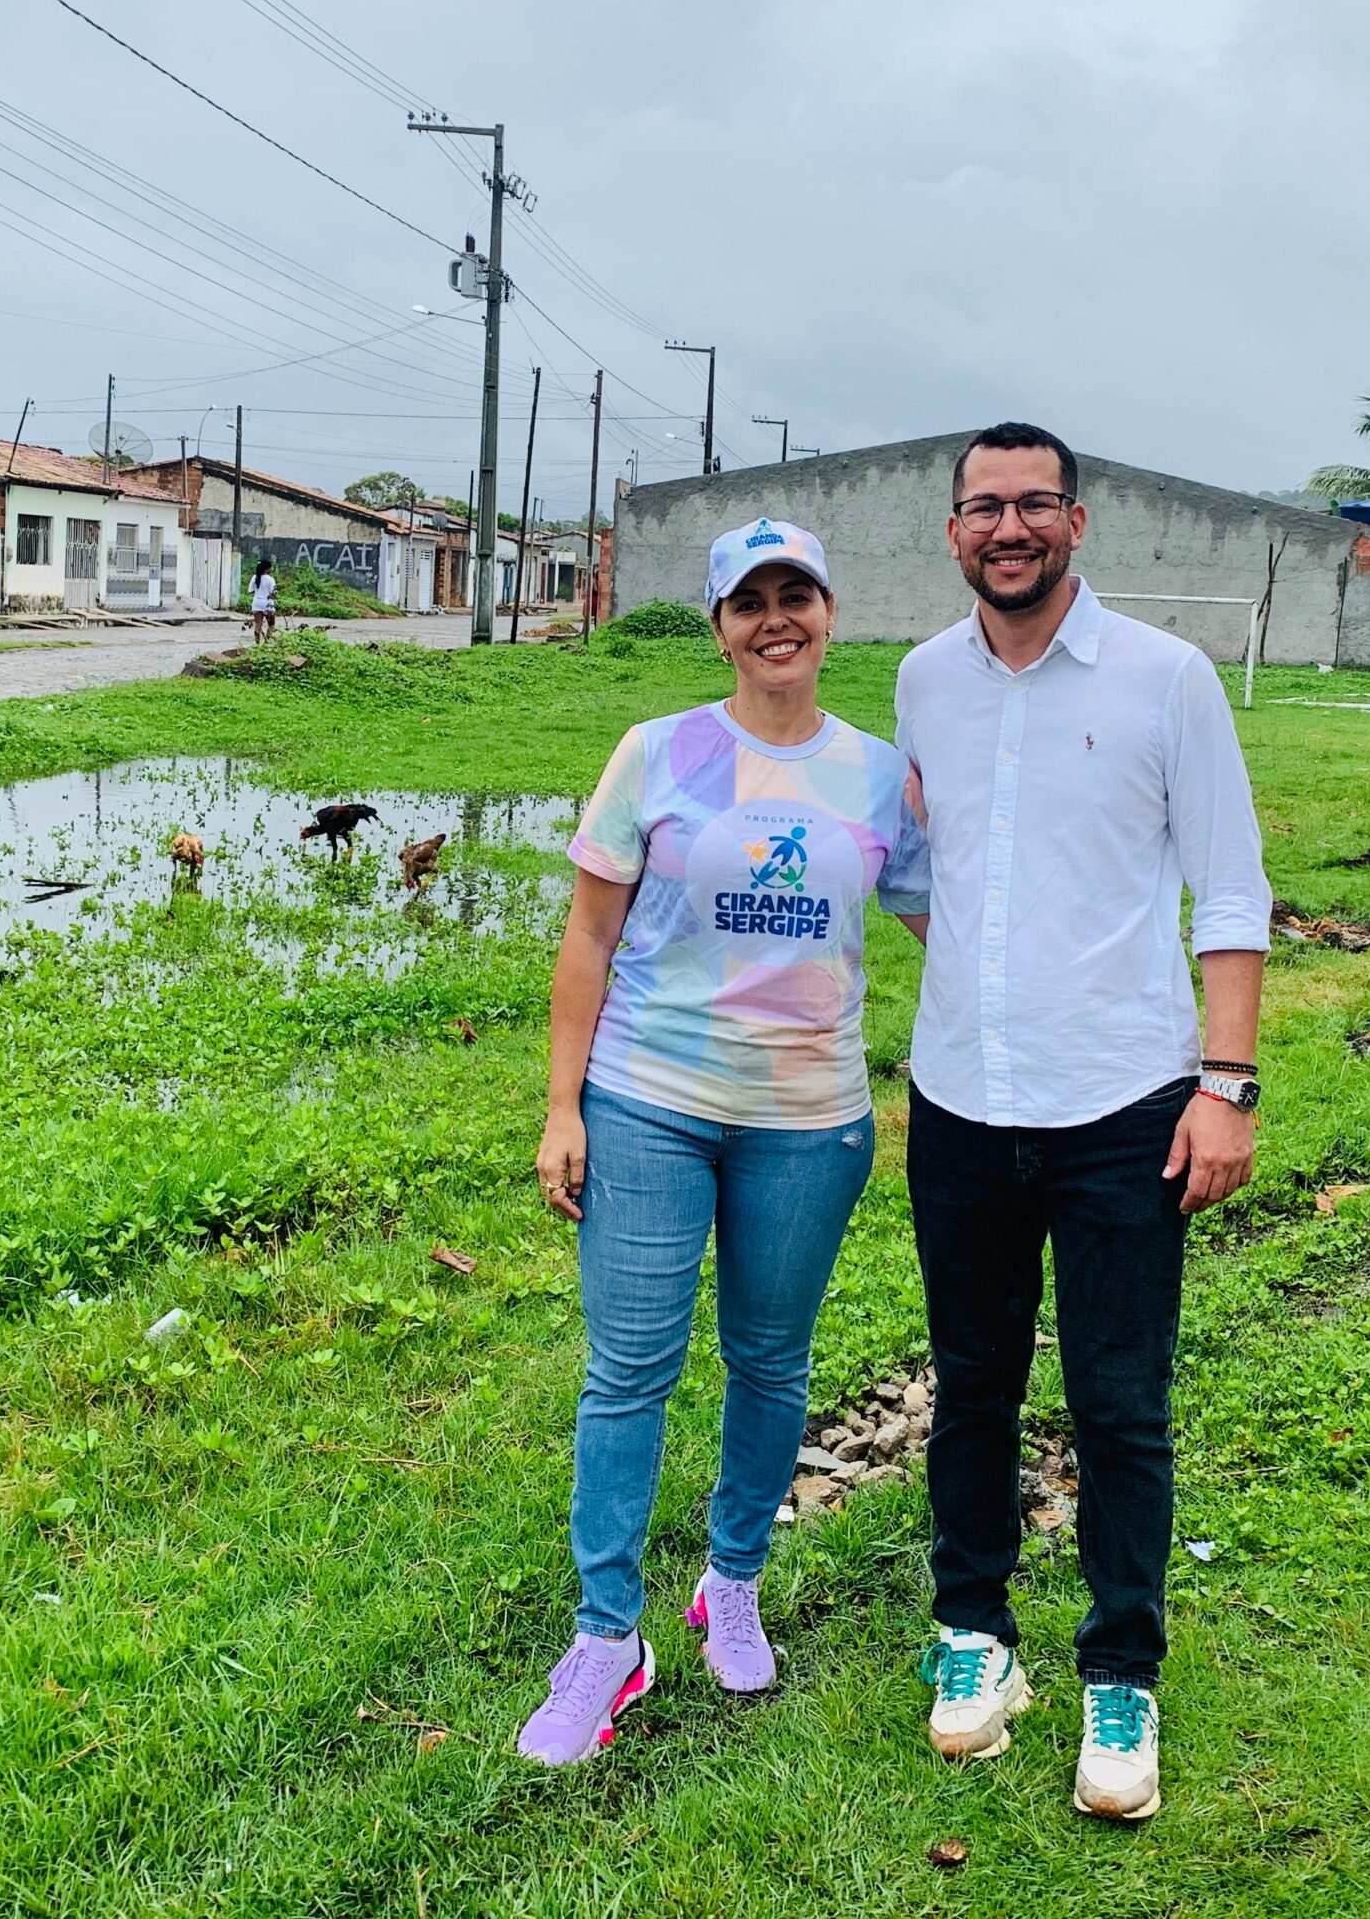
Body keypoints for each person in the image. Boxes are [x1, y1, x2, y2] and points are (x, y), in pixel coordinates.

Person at [896, 422, 1271, 1822]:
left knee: (1121, 1404)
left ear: (1078, 521)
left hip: (1127, 1105)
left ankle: (1123, 1672)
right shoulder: (923, 681)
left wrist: (1225, 1087)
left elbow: (1233, 895)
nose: (1010, 528)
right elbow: (934, 868)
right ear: (952, 531)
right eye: (984, 507)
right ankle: (974, 1641)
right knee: (970, 1387)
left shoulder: (1168, 682)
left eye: (1034, 504)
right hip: (961, 1102)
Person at [517, 517, 931, 1765]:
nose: (774, 619)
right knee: (627, 1370)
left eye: (793, 592)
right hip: (650, 1100)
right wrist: (561, 1107)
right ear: (717, 625)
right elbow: (588, 939)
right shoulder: (658, 753)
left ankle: (731, 1581)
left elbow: (944, 934)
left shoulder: (879, 776)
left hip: (809, 1123)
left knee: (770, 1362)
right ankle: (606, 1636)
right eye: (747, 600)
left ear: (828, 608)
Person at [249, 556, 276, 641]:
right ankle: (267, 641)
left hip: (256, 603)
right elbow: (273, 594)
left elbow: (251, 591)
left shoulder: (255, 577)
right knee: (271, 624)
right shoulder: (271, 580)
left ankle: (257, 643)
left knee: (258, 624)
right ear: (267, 569)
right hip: (268, 604)